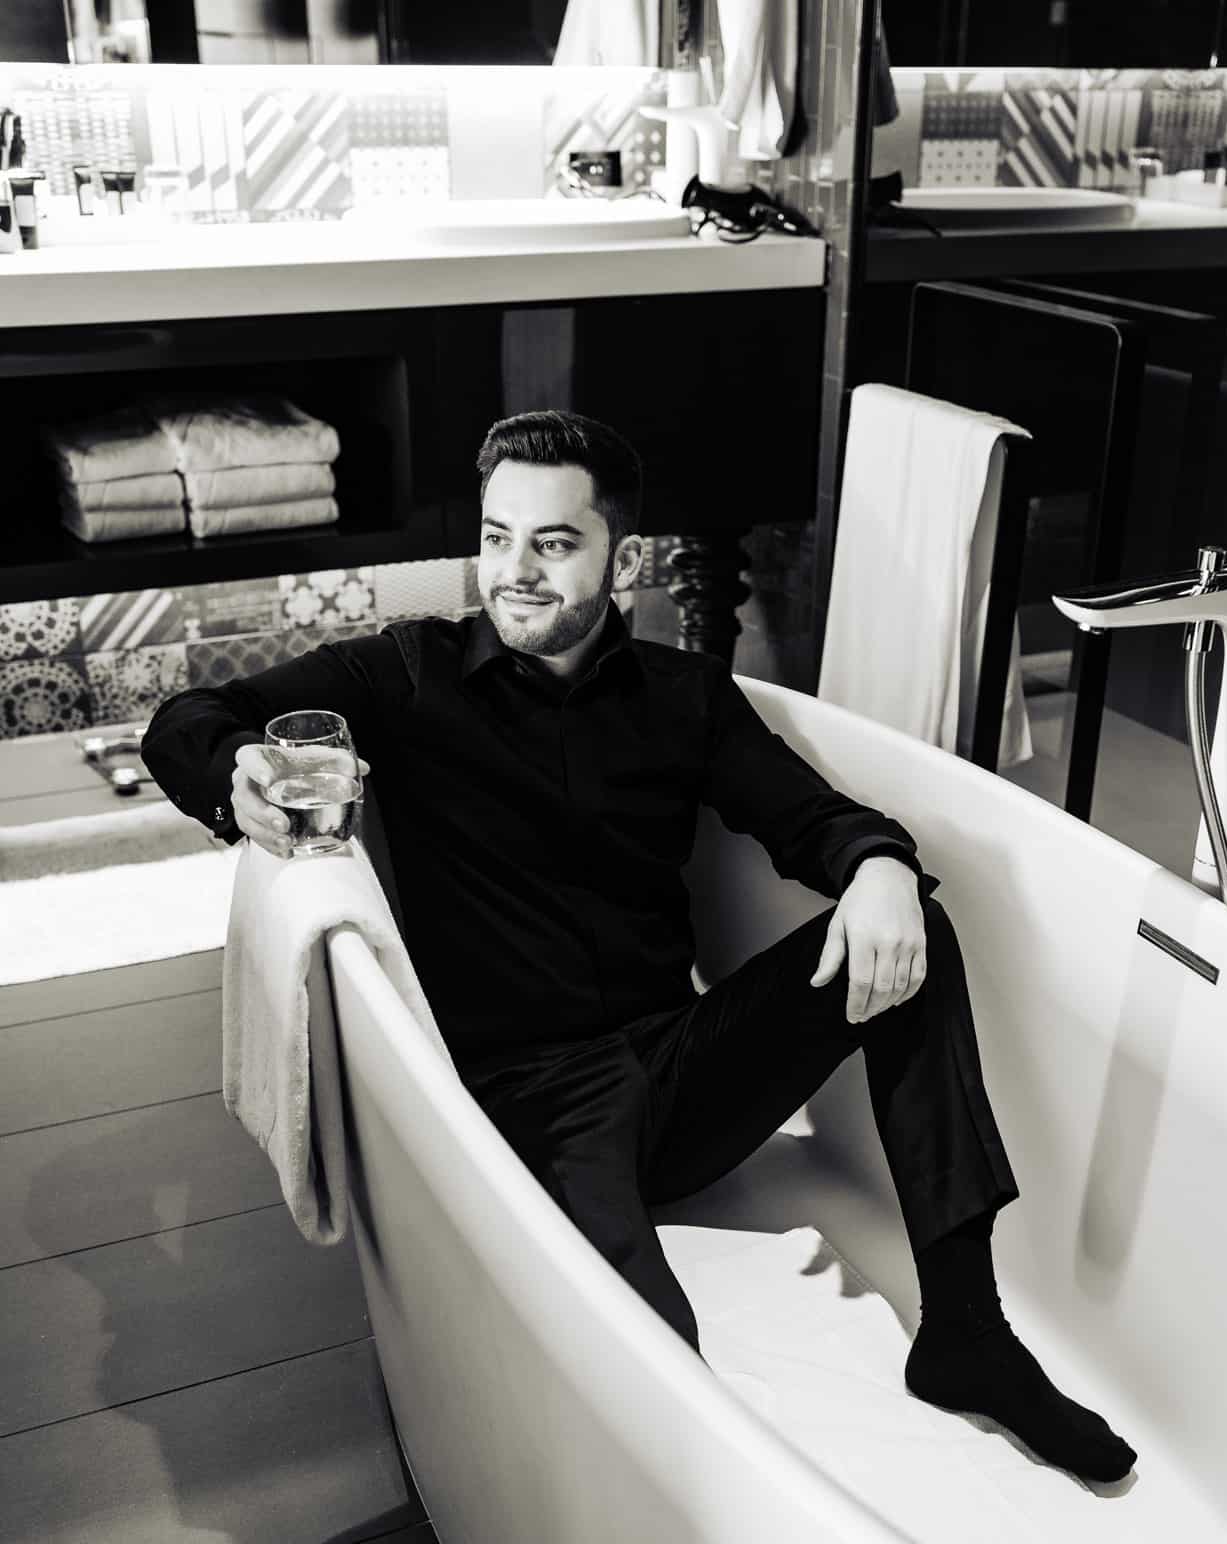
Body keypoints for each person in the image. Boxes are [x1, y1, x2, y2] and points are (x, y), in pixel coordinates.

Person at [142, 409, 1135, 1485]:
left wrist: (879, 866)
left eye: (553, 543)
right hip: (529, 1103)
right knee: (657, 1384)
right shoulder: (407, 676)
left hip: (678, 1073)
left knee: (913, 928)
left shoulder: (685, 699)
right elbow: (189, 713)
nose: (513, 572)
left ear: (620, 553)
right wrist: (236, 761)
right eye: (495, 537)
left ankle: (967, 1331)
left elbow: (813, 818)